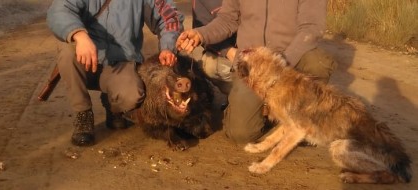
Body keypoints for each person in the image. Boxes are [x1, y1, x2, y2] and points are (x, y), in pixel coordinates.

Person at [177, 0, 337, 144]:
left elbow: (311, 29)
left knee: (317, 63)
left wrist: (282, 62)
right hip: (252, 61)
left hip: (290, 56)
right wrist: (201, 34)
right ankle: (268, 112)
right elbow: (227, 20)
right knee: (239, 134)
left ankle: (305, 120)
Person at [46, 0, 184, 146]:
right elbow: (58, 10)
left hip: (122, 62)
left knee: (133, 96)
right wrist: (79, 36)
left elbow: (169, 17)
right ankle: (83, 113)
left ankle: (113, 107)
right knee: (67, 53)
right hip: (85, 60)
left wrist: (168, 47)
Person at [191, 0, 237, 95]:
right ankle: (234, 94)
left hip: (261, 49)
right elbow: (224, 22)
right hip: (234, 53)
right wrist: (228, 51)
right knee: (208, 64)